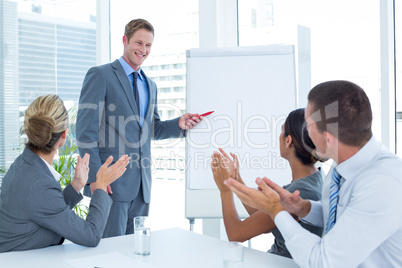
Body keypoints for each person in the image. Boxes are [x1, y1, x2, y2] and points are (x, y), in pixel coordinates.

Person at [224, 80, 402, 267]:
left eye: (308, 125)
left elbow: (324, 262)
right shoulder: (343, 165)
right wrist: (304, 208)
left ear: (328, 138)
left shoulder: (382, 185)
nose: (306, 132)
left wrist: (277, 210)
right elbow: (341, 214)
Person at [76, 18, 202, 238]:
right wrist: (97, 178)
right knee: (108, 252)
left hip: (142, 187)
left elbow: (149, 130)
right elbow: (86, 132)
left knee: (133, 251)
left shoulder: (150, 85)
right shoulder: (101, 75)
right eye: (138, 43)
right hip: (110, 184)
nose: (143, 50)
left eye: (148, 45)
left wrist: (178, 124)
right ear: (125, 40)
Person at [0, 95, 130, 252]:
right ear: (64, 135)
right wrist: (101, 185)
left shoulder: (22, 165)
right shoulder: (39, 184)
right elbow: (91, 235)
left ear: (28, 132)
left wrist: (75, 186)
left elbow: (47, 210)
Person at [211, 108, 324, 258]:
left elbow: (236, 234)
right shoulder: (313, 178)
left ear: (288, 140)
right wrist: (236, 179)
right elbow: (264, 214)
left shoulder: (301, 191)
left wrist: (225, 191)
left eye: (282, 131)